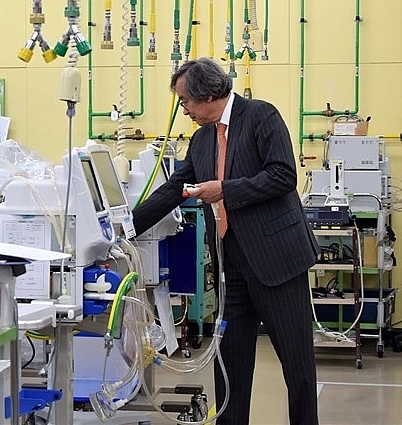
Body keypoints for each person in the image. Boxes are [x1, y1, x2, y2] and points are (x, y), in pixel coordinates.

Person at [132, 57, 320, 425]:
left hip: (277, 260)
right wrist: (124, 227)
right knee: (229, 363)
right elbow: (176, 188)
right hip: (231, 263)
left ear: (207, 94)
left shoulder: (261, 116)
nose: (184, 110)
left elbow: (283, 176)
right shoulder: (202, 139)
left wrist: (225, 190)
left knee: (297, 365)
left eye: (186, 101)